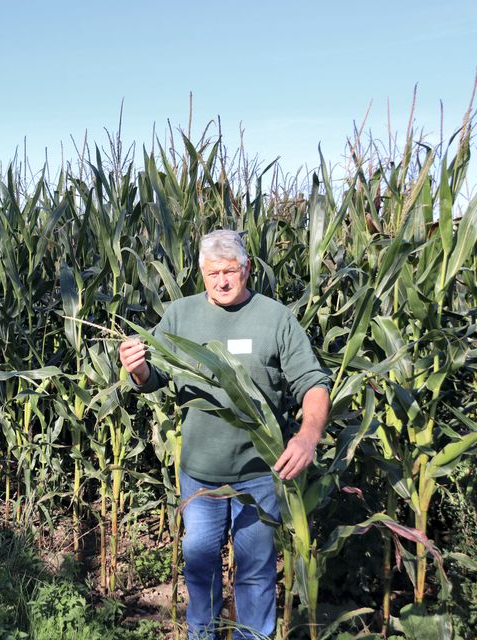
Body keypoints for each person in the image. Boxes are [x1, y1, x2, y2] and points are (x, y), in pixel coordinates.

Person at [118, 229, 330, 640]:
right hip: (200, 476)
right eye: (213, 273)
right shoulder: (181, 315)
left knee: (255, 574)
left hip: (261, 474)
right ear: (202, 272)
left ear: (247, 269)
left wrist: (306, 438)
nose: (223, 281)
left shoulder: (275, 318)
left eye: (231, 271)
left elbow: (314, 383)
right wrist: (138, 367)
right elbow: (154, 375)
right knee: (200, 570)